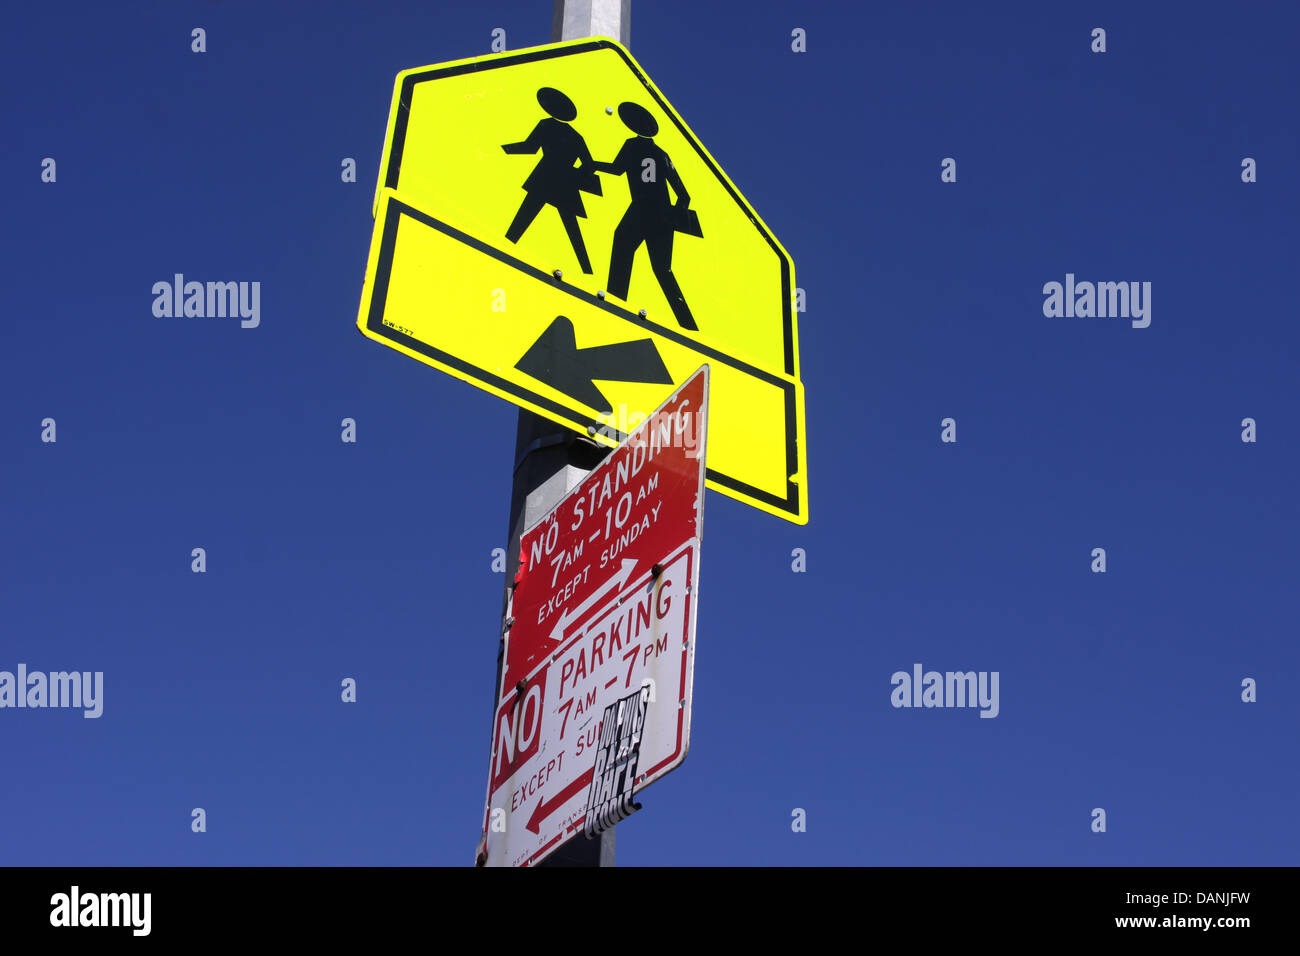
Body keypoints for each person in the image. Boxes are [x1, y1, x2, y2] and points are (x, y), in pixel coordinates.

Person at [593, 102, 700, 331]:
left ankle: (614, 302)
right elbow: (684, 196)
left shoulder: (631, 145)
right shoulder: (662, 154)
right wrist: (674, 217)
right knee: (662, 269)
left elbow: (616, 169)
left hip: (641, 208)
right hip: (663, 214)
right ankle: (688, 325)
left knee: (622, 243)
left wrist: (593, 165)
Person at [501, 87, 601, 274]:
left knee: (523, 218)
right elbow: (589, 164)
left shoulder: (546, 124)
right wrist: (573, 175)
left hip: (544, 178)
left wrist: (504, 149)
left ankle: (504, 247)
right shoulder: (577, 136)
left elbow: (529, 147)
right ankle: (587, 270)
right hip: (565, 184)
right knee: (572, 228)